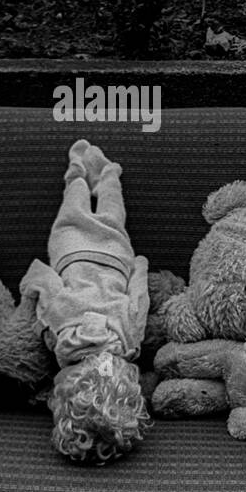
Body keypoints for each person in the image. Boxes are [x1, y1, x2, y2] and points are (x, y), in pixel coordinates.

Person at [20, 140, 151, 463]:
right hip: (71, 251)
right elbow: (41, 277)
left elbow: (140, 296)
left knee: (112, 210)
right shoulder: (61, 334)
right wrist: (28, 292)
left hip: (115, 257)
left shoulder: (129, 340)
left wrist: (140, 266)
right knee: (72, 208)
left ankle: (107, 174)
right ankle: (77, 172)